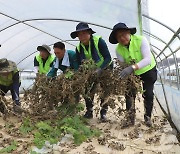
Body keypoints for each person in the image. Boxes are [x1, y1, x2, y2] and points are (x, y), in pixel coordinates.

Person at [109, 22, 157, 127]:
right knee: (129, 94)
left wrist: (132, 67)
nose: (121, 38)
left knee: (148, 94)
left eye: (123, 34)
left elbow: (147, 59)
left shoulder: (141, 40)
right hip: (132, 73)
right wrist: (123, 72)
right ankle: (130, 118)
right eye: (118, 37)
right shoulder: (118, 49)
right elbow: (123, 65)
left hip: (148, 70)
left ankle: (147, 117)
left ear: (129, 32)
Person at [70, 22, 113, 121]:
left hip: (105, 68)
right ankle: (89, 111)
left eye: (84, 33)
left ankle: (103, 113)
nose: (82, 36)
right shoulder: (79, 48)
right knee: (87, 90)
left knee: (105, 90)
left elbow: (108, 58)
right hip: (91, 71)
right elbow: (82, 63)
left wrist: (100, 69)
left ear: (89, 33)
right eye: (79, 34)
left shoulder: (99, 41)